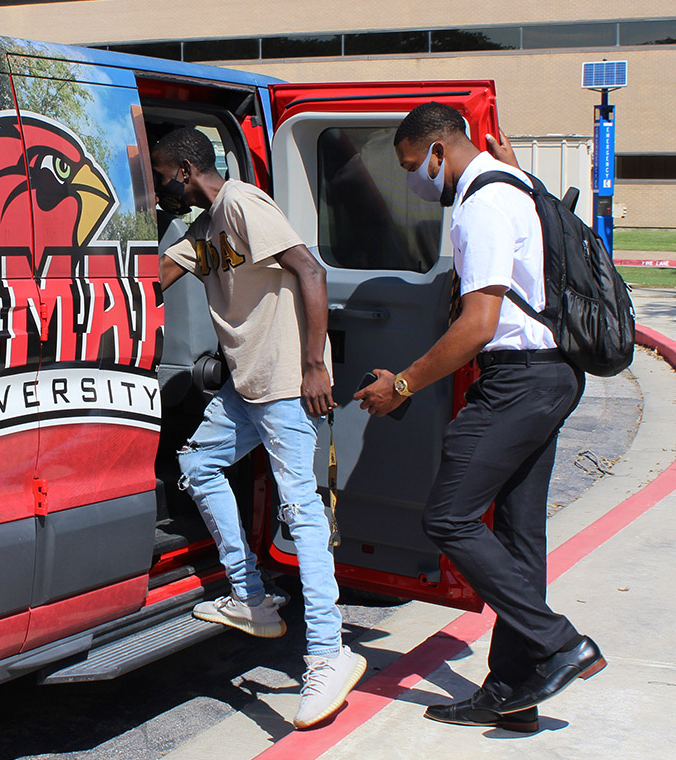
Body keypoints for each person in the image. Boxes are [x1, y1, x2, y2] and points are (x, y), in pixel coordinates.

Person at [355, 103, 605, 733]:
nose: (417, 180)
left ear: (438, 149)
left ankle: (558, 643)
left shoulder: (482, 204)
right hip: (549, 376)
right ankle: (514, 693)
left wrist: (403, 383)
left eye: (415, 166)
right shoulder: (517, 182)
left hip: (518, 382)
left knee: (449, 515)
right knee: (521, 536)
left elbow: (479, 325)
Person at [153, 127, 366, 730]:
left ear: (188, 170)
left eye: (164, 176)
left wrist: (314, 364)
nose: (162, 189)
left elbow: (312, 271)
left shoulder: (243, 204)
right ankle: (250, 597)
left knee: (301, 511)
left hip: (284, 384)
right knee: (197, 464)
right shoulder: (206, 226)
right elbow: (154, 279)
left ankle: (328, 654)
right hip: (246, 387)